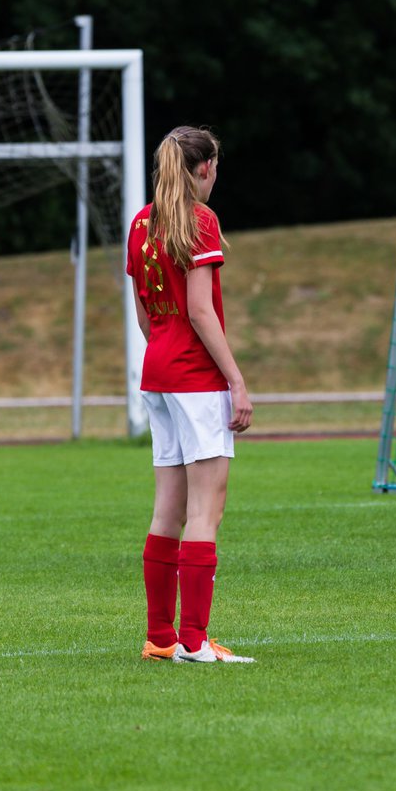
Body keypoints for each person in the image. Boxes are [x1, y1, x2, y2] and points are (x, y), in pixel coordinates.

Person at [127, 126, 255, 663]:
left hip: (157, 372)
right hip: (196, 379)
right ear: (204, 168)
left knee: (168, 509)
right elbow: (200, 311)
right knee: (207, 509)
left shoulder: (140, 222)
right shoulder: (200, 222)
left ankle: (161, 639)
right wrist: (235, 379)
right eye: (215, 166)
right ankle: (195, 643)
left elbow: (143, 313)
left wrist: (167, 354)